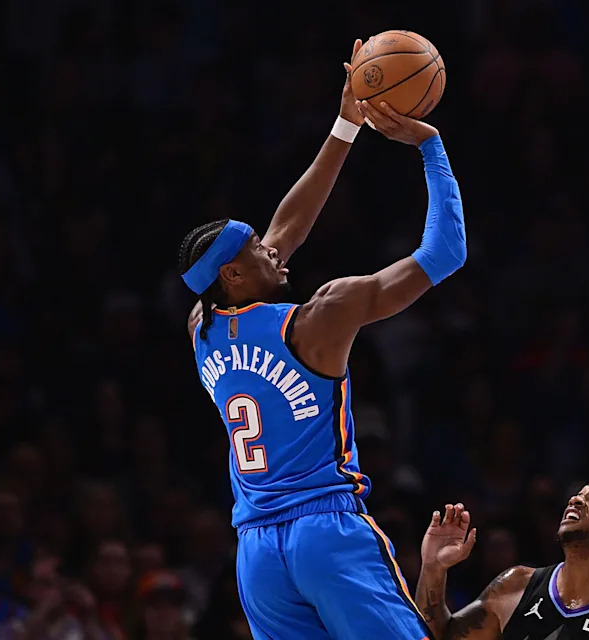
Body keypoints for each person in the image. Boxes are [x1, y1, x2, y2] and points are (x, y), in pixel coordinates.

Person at [176, 40, 466, 640]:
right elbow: (446, 253)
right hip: (325, 532)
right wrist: (430, 147)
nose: (272, 247)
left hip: (256, 555)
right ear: (232, 274)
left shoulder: (202, 327)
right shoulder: (319, 317)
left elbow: (288, 226)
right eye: (256, 249)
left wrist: (345, 124)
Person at [415, 467, 589, 640]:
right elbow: (438, 635)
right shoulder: (515, 585)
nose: (576, 500)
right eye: (579, 493)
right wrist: (433, 568)